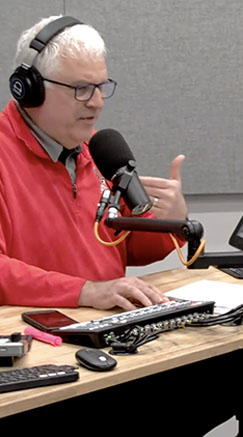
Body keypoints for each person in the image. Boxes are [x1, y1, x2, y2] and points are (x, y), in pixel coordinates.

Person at [0, 15, 189, 311]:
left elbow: (129, 247)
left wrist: (172, 222)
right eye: (82, 88)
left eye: (101, 86)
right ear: (29, 89)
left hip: (108, 334)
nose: (97, 101)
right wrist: (85, 292)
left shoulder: (99, 150)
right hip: (36, 339)